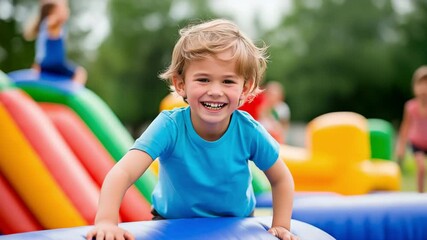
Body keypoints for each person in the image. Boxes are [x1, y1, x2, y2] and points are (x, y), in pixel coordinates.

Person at [86, 19, 296, 240]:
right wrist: (107, 221)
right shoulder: (170, 126)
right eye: (203, 80)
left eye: (227, 82)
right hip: (172, 224)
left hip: (237, 224)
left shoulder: (248, 131)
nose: (215, 91)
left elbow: (281, 179)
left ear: (245, 89)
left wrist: (281, 225)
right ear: (180, 84)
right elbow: (123, 172)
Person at [24, 0, 87, 84]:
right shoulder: (52, 23)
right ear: (54, 12)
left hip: (41, 65)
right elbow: (55, 20)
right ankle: (73, 92)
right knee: (80, 73)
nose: (68, 10)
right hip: (55, 64)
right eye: (64, 8)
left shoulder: (44, 25)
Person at [396, 65, 427, 193]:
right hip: (417, 143)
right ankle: (420, 196)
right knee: (420, 167)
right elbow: (405, 127)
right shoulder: (410, 107)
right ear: (415, 87)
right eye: (421, 84)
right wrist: (401, 147)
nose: (424, 89)